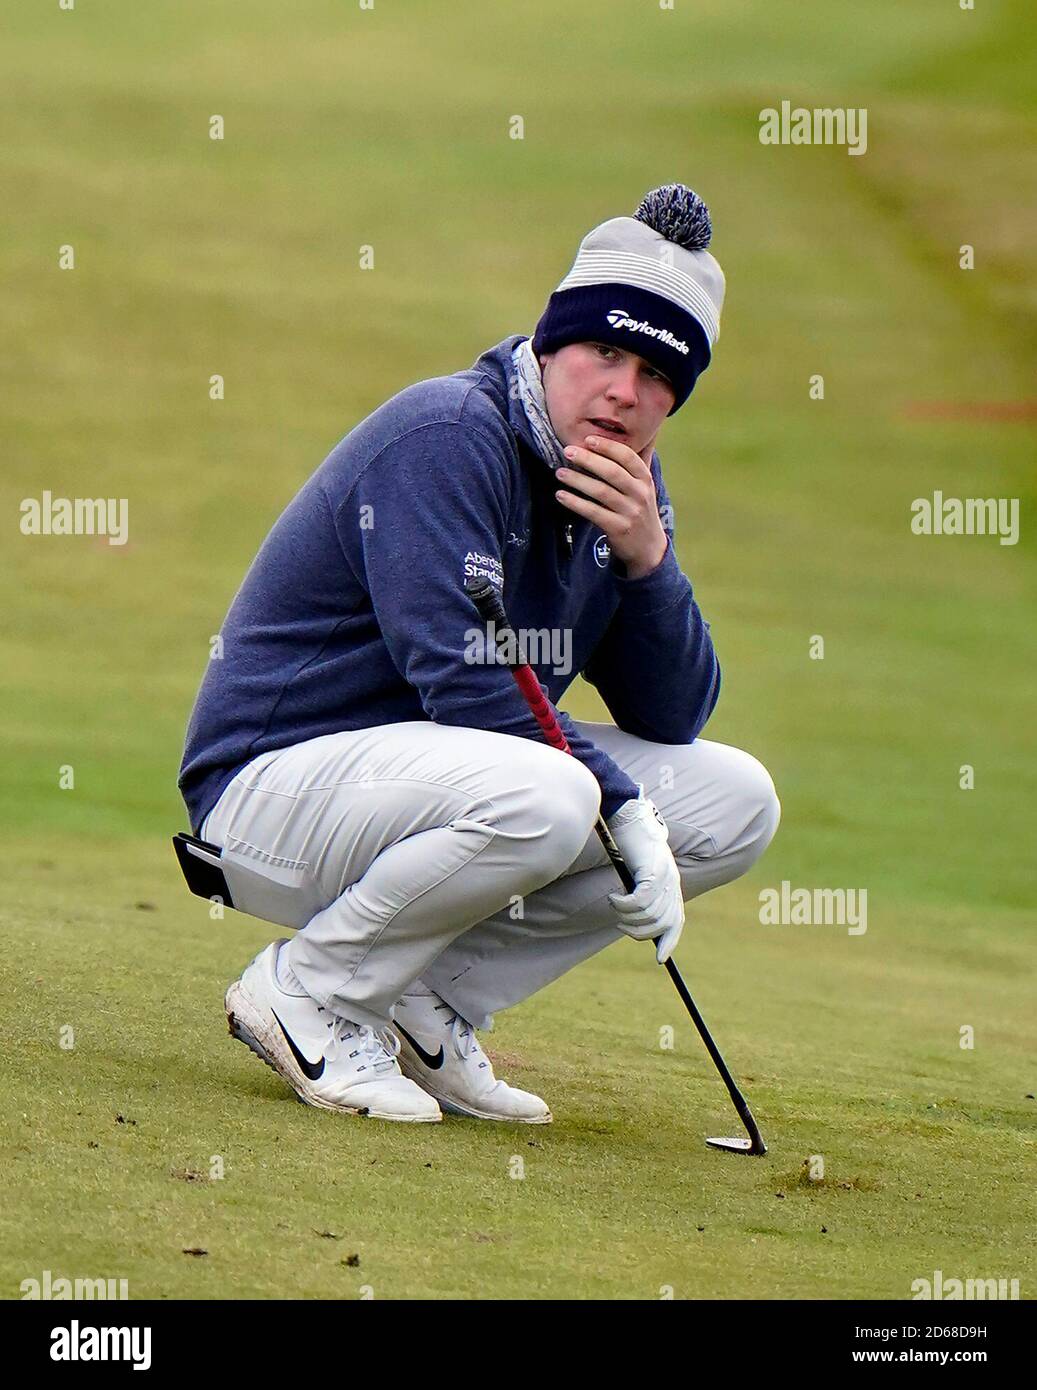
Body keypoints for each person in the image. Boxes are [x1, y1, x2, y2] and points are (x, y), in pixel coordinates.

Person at [177, 183, 780, 1125]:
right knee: (558, 792)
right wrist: (620, 808)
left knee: (733, 799)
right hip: (265, 795)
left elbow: (673, 717)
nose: (625, 391)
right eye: (605, 351)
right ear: (549, 346)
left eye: (658, 374)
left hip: (429, 798)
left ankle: (429, 1000)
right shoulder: (449, 435)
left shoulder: (623, 489)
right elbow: (462, 680)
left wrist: (646, 565)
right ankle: (309, 990)